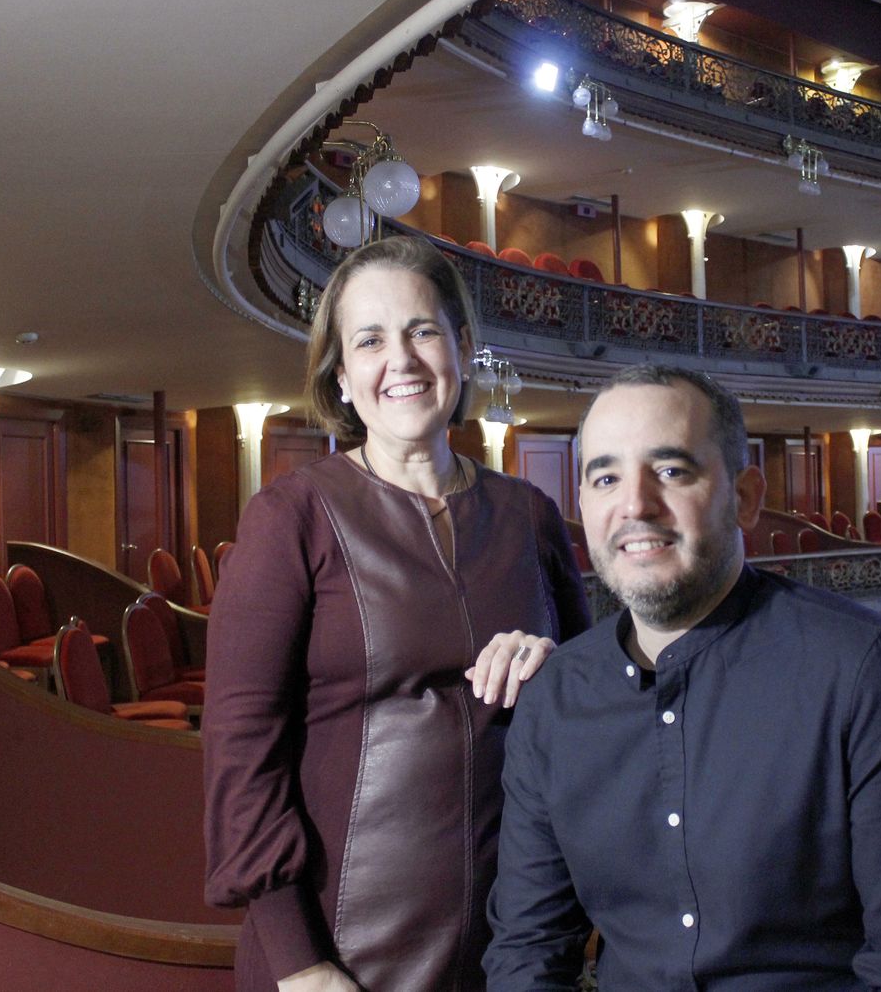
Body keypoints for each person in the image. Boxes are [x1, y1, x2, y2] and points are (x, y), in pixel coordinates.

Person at [484, 364, 881, 991]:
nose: (635, 504)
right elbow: (527, 951)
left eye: (671, 471)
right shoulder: (554, 702)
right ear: (583, 504)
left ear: (745, 498)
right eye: (605, 477)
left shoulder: (862, 672)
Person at [204, 236, 591, 992]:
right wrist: (299, 960)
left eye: (421, 331)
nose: (402, 361)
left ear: (463, 348)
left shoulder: (530, 515)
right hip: (342, 949)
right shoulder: (292, 518)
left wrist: (556, 668)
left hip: (517, 940)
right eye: (370, 340)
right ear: (342, 376)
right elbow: (238, 747)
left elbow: (599, 708)